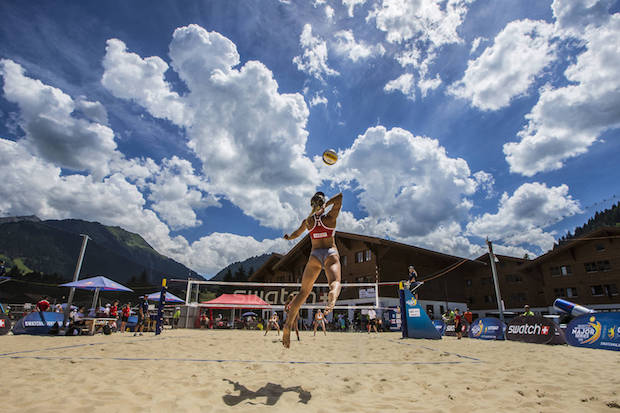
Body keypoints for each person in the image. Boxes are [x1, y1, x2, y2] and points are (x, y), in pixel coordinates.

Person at [282, 192, 343, 348]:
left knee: (303, 292)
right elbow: (340, 197)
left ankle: (288, 324)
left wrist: (289, 238)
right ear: (322, 205)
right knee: (335, 282)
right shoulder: (330, 218)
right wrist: (326, 204)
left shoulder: (308, 222)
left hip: (315, 255)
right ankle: (333, 297)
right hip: (330, 252)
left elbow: (297, 233)